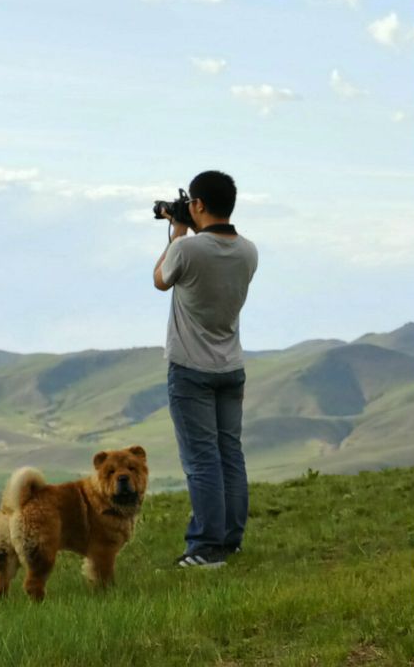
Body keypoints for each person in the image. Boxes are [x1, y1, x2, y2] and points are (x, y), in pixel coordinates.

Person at [152, 170, 258, 568]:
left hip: (190, 367)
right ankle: (231, 539)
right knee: (230, 453)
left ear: (197, 205)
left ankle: (206, 547)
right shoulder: (249, 251)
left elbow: (161, 279)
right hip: (231, 364)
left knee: (200, 460)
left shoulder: (188, 249)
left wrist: (177, 230)